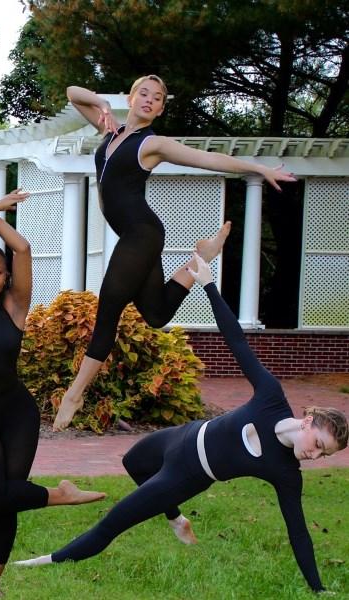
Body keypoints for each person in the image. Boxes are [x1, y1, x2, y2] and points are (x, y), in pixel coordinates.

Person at [14, 254, 348, 593]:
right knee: (133, 462)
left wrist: (319, 589)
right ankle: (177, 520)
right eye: (319, 445)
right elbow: (237, 341)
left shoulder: (287, 474)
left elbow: (298, 530)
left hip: (187, 475)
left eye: (324, 456)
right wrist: (209, 285)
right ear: (308, 422)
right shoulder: (271, 398)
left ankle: (39, 563)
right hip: (183, 435)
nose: (315, 456)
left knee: (111, 524)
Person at [53, 75, 298, 430]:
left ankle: (75, 394)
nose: (150, 100)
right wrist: (102, 104)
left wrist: (257, 168)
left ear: (162, 108)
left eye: (158, 98)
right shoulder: (109, 131)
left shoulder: (153, 144)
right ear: (131, 98)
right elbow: (72, 93)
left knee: (108, 306)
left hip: (142, 234)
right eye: (144, 94)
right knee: (156, 314)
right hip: (136, 235)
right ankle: (201, 260)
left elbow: (208, 159)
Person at [0, 191, 106, 596]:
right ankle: (60, 494)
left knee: (8, 497)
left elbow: (22, 247)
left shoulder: (16, 306)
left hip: (17, 414)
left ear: (6, 277)